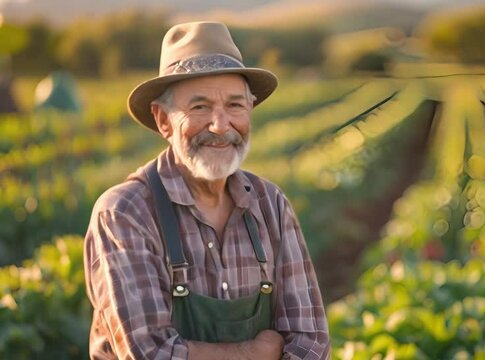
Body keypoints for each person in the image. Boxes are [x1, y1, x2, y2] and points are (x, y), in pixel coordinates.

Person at [83, 21, 330, 360]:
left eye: (235, 106)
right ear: (163, 120)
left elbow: (310, 341)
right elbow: (150, 354)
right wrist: (256, 352)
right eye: (199, 107)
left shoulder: (270, 204)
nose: (220, 125)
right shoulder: (126, 213)